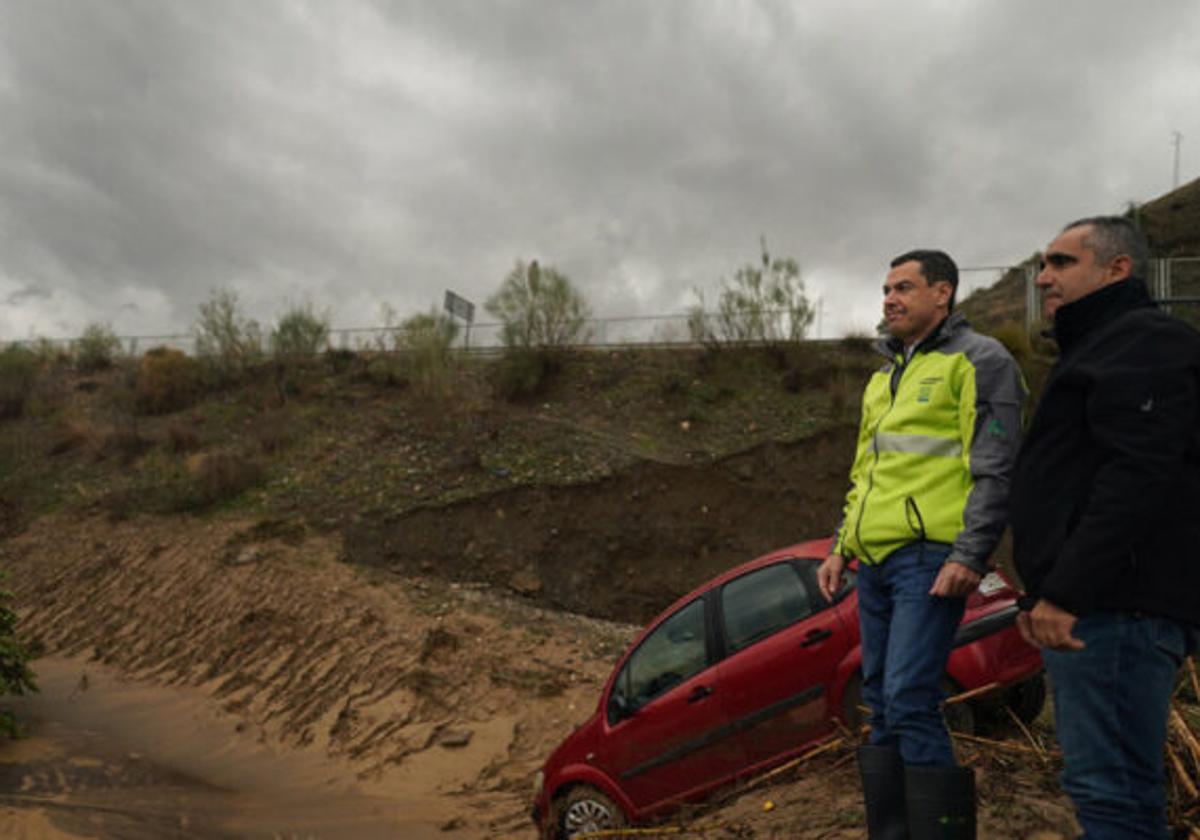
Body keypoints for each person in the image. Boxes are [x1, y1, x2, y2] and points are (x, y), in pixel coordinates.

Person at [817, 249, 1025, 839]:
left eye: (904, 287)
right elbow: (865, 475)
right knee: (881, 704)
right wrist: (840, 546)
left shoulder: (981, 360)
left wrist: (970, 554)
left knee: (909, 697)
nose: (889, 299)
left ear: (944, 293)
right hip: (876, 563)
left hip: (930, 559)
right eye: (885, 289)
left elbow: (997, 466)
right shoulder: (882, 380)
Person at [1010, 216, 1200, 839]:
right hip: (1103, 607)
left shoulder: (1143, 342)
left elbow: (1136, 476)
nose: (1043, 278)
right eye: (1043, 264)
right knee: (1116, 790)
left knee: (1110, 792)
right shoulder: (1100, 346)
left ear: (1118, 268)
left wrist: (1066, 592)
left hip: (1115, 610)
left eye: (1062, 262)